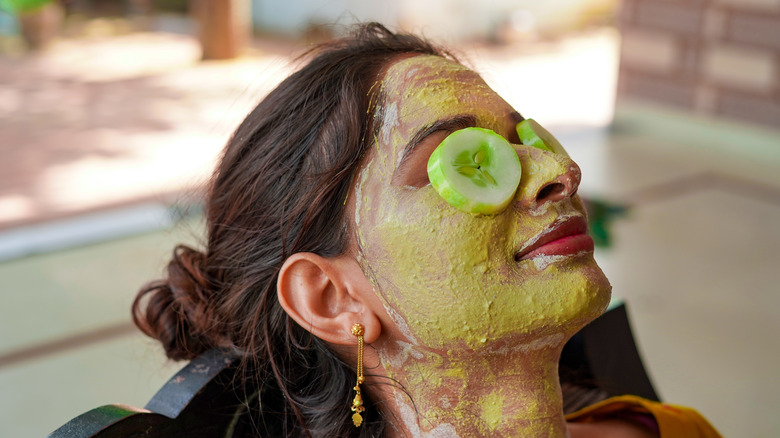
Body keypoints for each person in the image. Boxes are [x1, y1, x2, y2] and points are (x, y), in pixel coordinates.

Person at [132, 23, 721, 438]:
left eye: (527, 140)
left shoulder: (675, 431)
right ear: (333, 298)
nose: (561, 172)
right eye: (464, 163)